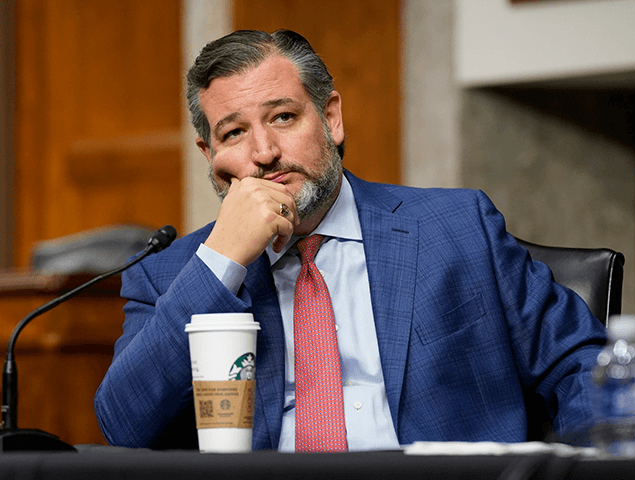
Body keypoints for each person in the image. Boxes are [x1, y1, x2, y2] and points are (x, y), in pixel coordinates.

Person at [94, 29, 606, 451]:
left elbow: (584, 364)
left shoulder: (458, 227)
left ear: (331, 118)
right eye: (233, 134)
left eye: (283, 117)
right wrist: (221, 262)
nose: (265, 152)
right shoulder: (170, 273)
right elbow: (124, 425)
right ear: (209, 154)